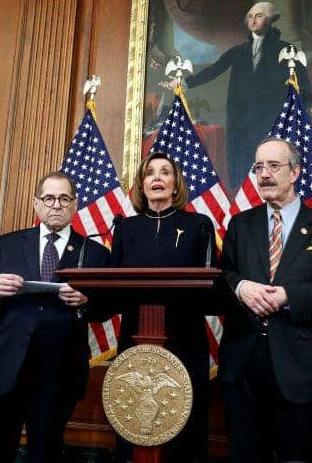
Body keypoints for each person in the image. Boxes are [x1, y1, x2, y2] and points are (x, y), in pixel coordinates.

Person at [218, 137, 312, 463]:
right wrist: (240, 288)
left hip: (298, 370)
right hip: (243, 369)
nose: (264, 174)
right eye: (258, 167)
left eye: (273, 166)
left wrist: (289, 296)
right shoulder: (240, 225)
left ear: (295, 173)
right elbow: (221, 279)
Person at [0, 171, 110, 463]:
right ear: (36, 204)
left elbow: (106, 308)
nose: (55, 205)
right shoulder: (6, 244)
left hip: (58, 371)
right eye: (48, 198)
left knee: (44, 452)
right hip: (3, 364)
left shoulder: (94, 253)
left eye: (63, 199)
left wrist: (85, 301)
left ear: (74, 205)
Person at [111, 151, 215, 462]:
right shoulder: (126, 228)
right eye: (150, 173)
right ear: (142, 186)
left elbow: (211, 283)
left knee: (183, 419)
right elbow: (112, 283)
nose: (157, 177)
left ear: (175, 184)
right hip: (135, 338)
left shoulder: (198, 225)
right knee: (134, 417)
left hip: (186, 340)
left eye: (165, 172)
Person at [171, 2, 312, 188]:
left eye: (259, 16)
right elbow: (214, 70)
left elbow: (302, 82)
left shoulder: (286, 50)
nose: (253, 20)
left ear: (269, 20)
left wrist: (306, 104)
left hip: (271, 120)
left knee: (272, 165)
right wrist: (186, 83)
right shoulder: (237, 52)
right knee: (242, 167)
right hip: (241, 121)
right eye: (251, 16)